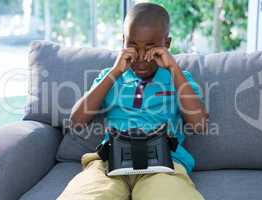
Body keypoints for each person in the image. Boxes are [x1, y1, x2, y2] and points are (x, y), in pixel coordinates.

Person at [57, 2, 208, 200]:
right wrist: (114, 72)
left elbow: (199, 125)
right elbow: (76, 121)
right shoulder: (110, 76)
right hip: (109, 162)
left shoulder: (180, 78)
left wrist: (173, 69)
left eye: (151, 47)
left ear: (167, 44)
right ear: (123, 42)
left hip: (163, 165)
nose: (141, 56)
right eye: (133, 45)